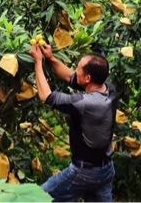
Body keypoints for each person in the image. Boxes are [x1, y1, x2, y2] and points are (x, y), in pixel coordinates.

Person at [29, 42, 117, 202]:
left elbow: (46, 96)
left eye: (79, 68)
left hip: (84, 172)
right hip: (106, 169)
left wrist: (38, 62)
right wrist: (51, 58)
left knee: (38, 198)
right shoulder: (109, 90)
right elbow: (70, 76)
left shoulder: (86, 103)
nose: (75, 70)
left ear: (88, 78)